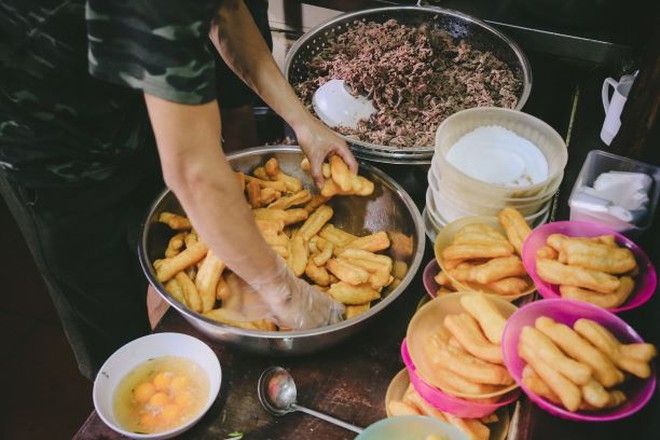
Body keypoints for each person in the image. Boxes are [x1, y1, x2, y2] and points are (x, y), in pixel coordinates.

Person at [0, 0, 357, 380]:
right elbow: (193, 171)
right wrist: (284, 291)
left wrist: (302, 122)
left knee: (161, 249)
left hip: (129, 103)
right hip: (50, 146)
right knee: (115, 334)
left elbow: (227, 11)